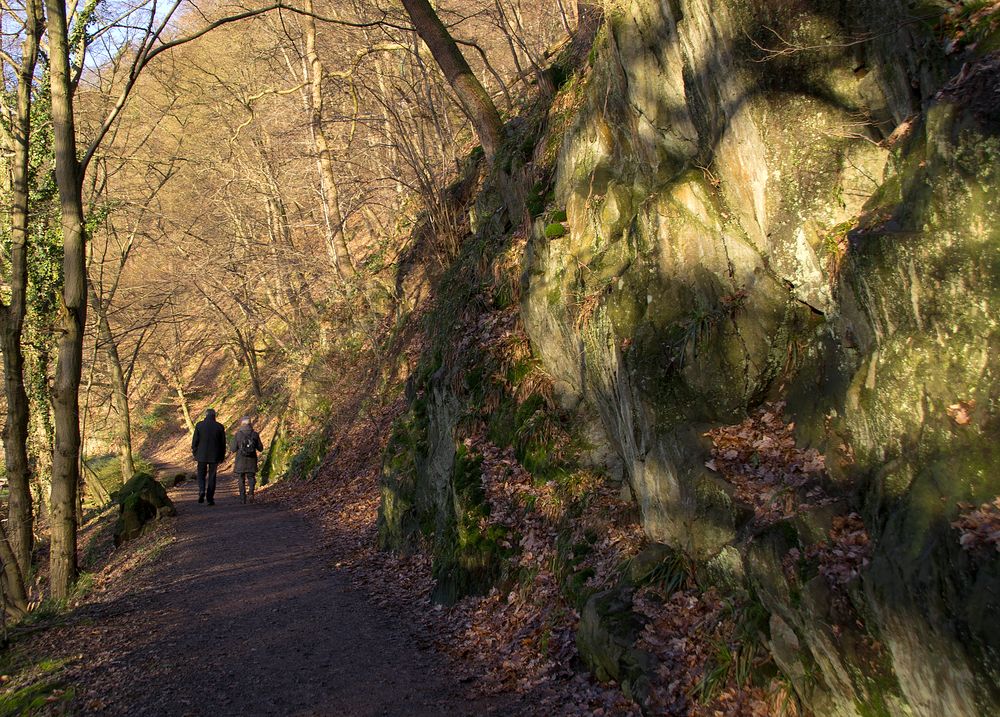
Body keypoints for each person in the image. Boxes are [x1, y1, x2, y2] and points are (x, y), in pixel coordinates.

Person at [192, 408, 227, 505]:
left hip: (201, 455)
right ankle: (210, 498)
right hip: (215, 455)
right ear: (214, 416)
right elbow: (223, 443)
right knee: (212, 476)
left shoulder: (199, 425)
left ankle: (202, 490)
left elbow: (195, 441)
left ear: (205, 415)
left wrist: (195, 452)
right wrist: (222, 456)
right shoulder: (219, 427)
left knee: (201, 474)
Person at [231, 416, 264, 504]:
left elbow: (233, 449)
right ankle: (251, 494)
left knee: (241, 478)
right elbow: (260, 448)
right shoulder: (254, 434)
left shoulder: (238, 434)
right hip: (251, 460)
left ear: (241, 423)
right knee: (251, 477)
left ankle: (242, 497)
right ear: (250, 423)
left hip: (240, 460)